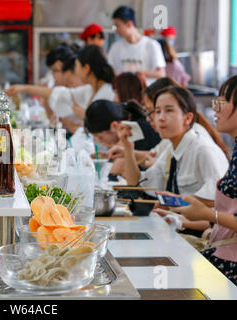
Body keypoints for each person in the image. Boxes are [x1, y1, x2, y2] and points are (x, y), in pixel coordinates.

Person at [165, 76, 237, 285]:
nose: (215, 109)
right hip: (223, 251)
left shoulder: (203, 147)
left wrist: (207, 213)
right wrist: (183, 218)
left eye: (221, 102)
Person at [119, 86, 229, 208]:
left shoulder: (203, 149)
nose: (160, 118)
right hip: (178, 222)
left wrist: (172, 201)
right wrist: (128, 148)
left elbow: (220, 197)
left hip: (202, 225)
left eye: (169, 111)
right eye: (157, 111)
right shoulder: (171, 150)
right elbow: (136, 183)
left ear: (188, 118)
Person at [108, 6, 166, 84]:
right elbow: (111, 71)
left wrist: (136, 72)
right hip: (123, 93)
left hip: (146, 93)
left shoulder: (151, 45)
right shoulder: (115, 47)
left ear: (129, 24)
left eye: (118, 26)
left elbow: (161, 74)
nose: (116, 30)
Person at [84, 100, 160, 151]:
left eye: (100, 137)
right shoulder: (131, 124)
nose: (100, 141)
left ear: (114, 126)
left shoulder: (136, 133)